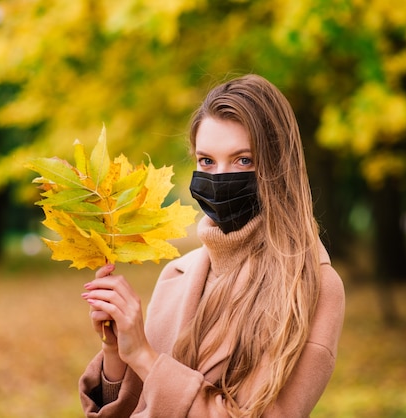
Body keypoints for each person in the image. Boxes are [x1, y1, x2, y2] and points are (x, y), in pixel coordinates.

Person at [79, 74, 345, 417]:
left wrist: (145, 357)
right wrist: (116, 350)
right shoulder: (177, 275)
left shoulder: (311, 287)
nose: (219, 179)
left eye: (243, 160)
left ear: (277, 168)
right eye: (207, 161)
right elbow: (145, 406)